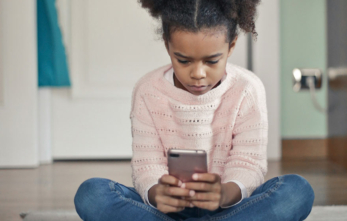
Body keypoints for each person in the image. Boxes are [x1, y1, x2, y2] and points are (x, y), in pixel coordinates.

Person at [74, 0, 315, 220]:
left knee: (296, 191)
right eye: (184, 60)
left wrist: (222, 194)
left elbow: (248, 164)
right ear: (168, 46)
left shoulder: (247, 89)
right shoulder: (148, 90)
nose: (198, 74)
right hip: (167, 212)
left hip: (229, 207)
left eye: (211, 61)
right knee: (92, 194)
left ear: (231, 47)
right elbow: (146, 165)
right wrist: (159, 194)